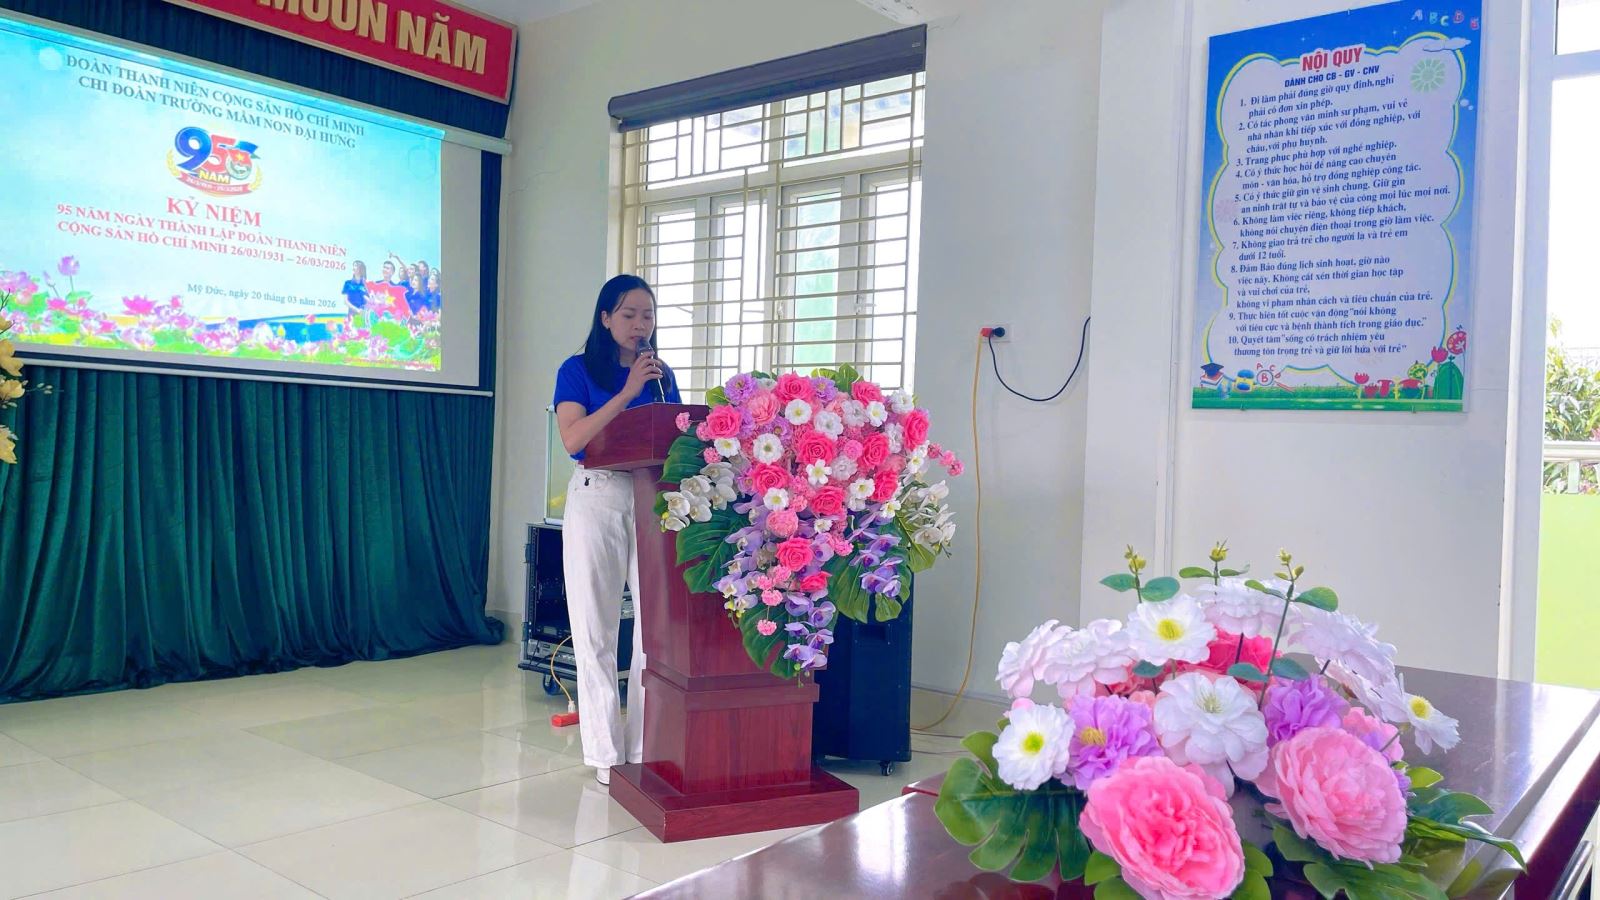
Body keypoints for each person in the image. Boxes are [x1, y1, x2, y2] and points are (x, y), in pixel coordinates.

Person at [553, 274, 680, 785]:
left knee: (653, 632)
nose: (639, 324)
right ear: (605, 318)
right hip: (598, 494)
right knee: (596, 628)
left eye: (647, 315)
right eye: (628, 314)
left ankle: (646, 749)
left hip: (650, 496)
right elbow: (573, 439)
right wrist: (627, 391)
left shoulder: (661, 375)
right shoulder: (577, 369)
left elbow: (674, 434)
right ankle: (607, 756)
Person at [342, 261, 370, 330]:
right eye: (353, 266)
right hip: (352, 314)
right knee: (352, 333)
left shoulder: (366, 285)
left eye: (356, 266)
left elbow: (370, 301)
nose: (353, 268)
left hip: (364, 315)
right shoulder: (348, 283)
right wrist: (357, 310)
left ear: (361, 269)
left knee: (363, 334)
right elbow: (345, 301)